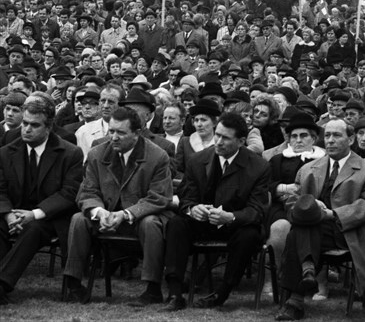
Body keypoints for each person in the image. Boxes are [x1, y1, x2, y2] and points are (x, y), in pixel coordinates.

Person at [276, 119, 365, 320]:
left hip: (347, 232)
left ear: (351, 139)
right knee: (304, 229)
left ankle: (297, 297)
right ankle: (303, 279)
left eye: (337, 135)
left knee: (297, 235)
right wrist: (306, 209)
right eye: (327, 135)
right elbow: (291, 200)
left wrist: (333, 214)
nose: (330, 140)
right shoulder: (309, 168)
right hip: (314, 230)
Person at [63, 107, 173, 305]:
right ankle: (72, 284)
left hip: (140, 218)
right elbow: (87, 192)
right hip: (106, 214)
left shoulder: (158, 156)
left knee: (151, 223)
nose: (113, 137)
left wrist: (126, 214)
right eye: (111, 131)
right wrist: (99, 211)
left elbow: (159, 197)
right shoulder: (97, 153)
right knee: (79, 219)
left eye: (121, 132)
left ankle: (152, 289)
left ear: (137, 133)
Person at [162, 113, 270, 311]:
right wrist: (193, 209)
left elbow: (257, 210)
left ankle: (222, 292)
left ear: (241, 141)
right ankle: (175, 292)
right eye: (217, 135)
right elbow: (186, 197)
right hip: (202, 223)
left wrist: (231, 217)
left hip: (235, 226)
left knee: (250, 234)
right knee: (176, 223)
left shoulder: (258, 166)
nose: (218, 142)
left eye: (225, 138)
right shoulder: (197, 160)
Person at [0, 94, 83, 304]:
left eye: (34, 125)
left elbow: (69, 193)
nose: (26, 129)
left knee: (34, 228)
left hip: (50, 218)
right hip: (13, 213)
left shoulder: (70, 153)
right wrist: (9, 215)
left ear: (49, 127)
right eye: (25, 123)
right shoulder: (6, 151)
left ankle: (1, 284)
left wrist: (34, 214)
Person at [264, 113, 326, 296]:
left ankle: (319, 281)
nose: (298, 140)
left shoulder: (324, 160)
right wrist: (282, 188)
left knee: (315, 225)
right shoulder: (277, 160)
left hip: (314, 207)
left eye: (303, 136)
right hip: (282, 207)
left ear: (313, 138)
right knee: (280, 227)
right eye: (294, 136)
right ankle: (274, 279)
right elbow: (264, 185)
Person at [174, 99, 221, 174]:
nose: (199, 124)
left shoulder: (220, 143)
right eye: (196, 120)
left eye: (203, 120)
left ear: (214, 122)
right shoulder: (185, 142)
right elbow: (178, 170)